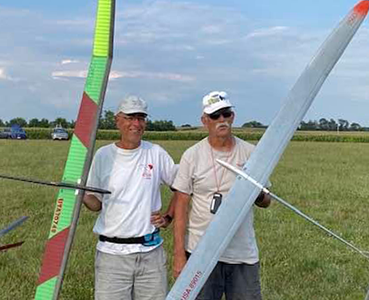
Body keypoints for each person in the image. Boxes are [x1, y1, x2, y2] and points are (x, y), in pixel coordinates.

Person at [170, 91, 271, 300]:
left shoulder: (251, 153)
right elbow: (181, 206)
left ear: (233, 116)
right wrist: (179, 255)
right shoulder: (192, 155)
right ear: (204, 120)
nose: (222, 120)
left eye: (226, 114)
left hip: (242, 254)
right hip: (201, 254)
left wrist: (257, 193)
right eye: (215, 116)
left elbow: (266, 201)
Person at [83, 95, 178, 300]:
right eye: (130, 117)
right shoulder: (103, 155)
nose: (136, 124)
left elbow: (181, 187)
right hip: (111, 256)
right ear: (117, 120)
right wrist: (80, 194)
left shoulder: (156, 153)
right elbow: (95, 203)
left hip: (151, 255)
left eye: (141, 118)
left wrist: (168, 217)